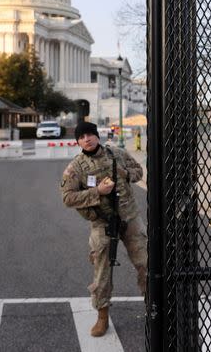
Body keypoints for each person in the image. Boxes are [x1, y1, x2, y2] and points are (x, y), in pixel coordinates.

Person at [60, 121, 147, 337]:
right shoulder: (76, 167)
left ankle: (153, 308)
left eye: (89, 135)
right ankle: (102, 316)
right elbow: (68, 198)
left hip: (130, 217)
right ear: (78, 141)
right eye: (81, 137)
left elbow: (138, 171)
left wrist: (126, 174)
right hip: (102, 223)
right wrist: (97, 191)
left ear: (97, 136)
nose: (86, 139)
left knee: (146, 263)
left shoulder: (116, 153)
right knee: (101, 272)